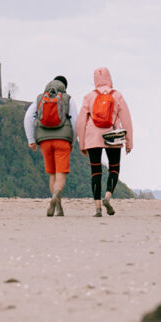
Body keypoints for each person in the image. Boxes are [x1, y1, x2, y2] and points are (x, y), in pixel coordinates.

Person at [74, 66, 134, 218]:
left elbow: (81, 122)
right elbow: (126, 119)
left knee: (96, 171)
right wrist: (129, 142)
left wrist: (82, 143)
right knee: (114, 168)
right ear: (110, 78)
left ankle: (97, 208)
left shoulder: (89, 97)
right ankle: (107, 196)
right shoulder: (117, 95)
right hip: (113, 136)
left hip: (92, 138)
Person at [24, 76, 74, 217]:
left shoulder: (40, 98)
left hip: (44, 140)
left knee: (52, 174)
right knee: (60, 174)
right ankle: (56, 196)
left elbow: (28, 117)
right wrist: (73, 141)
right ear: (65, 86)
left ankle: (58, 206)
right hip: (62, 140)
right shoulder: (67, 99)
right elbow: (75, 121)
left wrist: (31, 140)